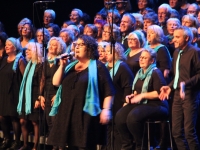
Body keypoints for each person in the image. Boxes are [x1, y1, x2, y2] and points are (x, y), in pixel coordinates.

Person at [47, 35, 115, 149]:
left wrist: (106, 110)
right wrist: (62, 66)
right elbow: (56, 82)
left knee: (85, 146)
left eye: (81, 45)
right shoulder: (71, 66)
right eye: (76, 45)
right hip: (67, 112)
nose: (77, 47)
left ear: (89, 48)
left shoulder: (98, 67)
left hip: (86, 114)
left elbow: (109, 90)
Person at [115, 48, 169, 150]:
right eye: (140, 57)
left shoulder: (155, 72)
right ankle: (128, 145)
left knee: (133, 117)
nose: (141, 59)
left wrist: (142, 95)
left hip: (158, 105)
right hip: (142, 104)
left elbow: (159, 93)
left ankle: (141, 145)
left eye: (144, 58)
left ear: (152, 60)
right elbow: (136, 91)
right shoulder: (139, 73)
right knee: (119, 116)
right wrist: (132, 96)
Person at [159, 26, 200, 150]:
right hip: (177, 95)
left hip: (190, 95)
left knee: (189, 132)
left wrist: (185, 83)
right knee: (176, 132)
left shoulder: (194, 52)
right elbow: (177, 76)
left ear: (187, 38)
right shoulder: (176, 52)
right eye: (174, 37)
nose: (174, 40)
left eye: (178, 37)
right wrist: (170, 86)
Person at [104, 42, 134, 150]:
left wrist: (125, 103)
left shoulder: (122, 67)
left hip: (119, 102)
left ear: (116, 53)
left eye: (109, 52)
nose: (106, 54)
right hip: (108, 102)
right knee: (108, 129)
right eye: (105, 51)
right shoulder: (105, 67)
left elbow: (128, 86)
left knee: (117, 129)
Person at [0, 38, 26, 150]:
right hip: (3, 91)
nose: (6, 46)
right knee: (1, 117)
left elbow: (25, 78)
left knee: (13, 118)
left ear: (15, 47)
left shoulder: (20, 60)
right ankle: (7, 139)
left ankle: (17, 141)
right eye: (5, 44)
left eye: (9, 45)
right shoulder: (4, 59)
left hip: (14, 92)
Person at [39, 37, 66, 146]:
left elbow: (65, 80)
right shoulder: (45, 61)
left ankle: (59, 146)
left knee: (56, 122)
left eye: (54, 45)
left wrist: (59, 94)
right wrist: (40, 95)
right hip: (47, 93)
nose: (51, 46)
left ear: (59, 48)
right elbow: (42, 80)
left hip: (57, 94)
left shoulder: (62, 61)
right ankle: (54, 146)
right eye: (50, 44)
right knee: (49, 122)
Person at [17, 42, 43, 150]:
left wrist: (38, 97)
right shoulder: (29, 64)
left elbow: (41, 82)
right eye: (26, 50)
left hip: (34, 95)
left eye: (29, 50)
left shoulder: (40, 65)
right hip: (26, 95)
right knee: (22, 120)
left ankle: (35, 146)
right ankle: (25, 144)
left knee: (34, 121)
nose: (26, 51)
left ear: (35, 51)